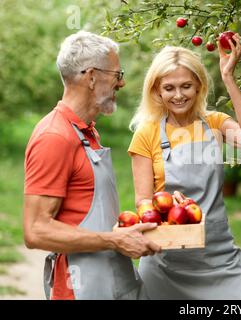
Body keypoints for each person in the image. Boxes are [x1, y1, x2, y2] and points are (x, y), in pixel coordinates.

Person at [23, 30, 161, 300]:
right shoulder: (54, 136)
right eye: (117, 75)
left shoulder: (86, 132)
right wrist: (113, 240)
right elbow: (35, 230)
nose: (121, 84)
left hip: (113, 276)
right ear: (92, 76)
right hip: (81, 286)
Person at [128, 34, 241, 299]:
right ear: (157, 90)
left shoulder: (215, 123)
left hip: (219, 257)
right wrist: (164, 203)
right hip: (167, 261)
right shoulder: (147, 134)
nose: (178, 95)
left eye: (186, 86)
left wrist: (228, 78)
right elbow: (142, 202)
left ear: (199, 86)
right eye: (169, 88)